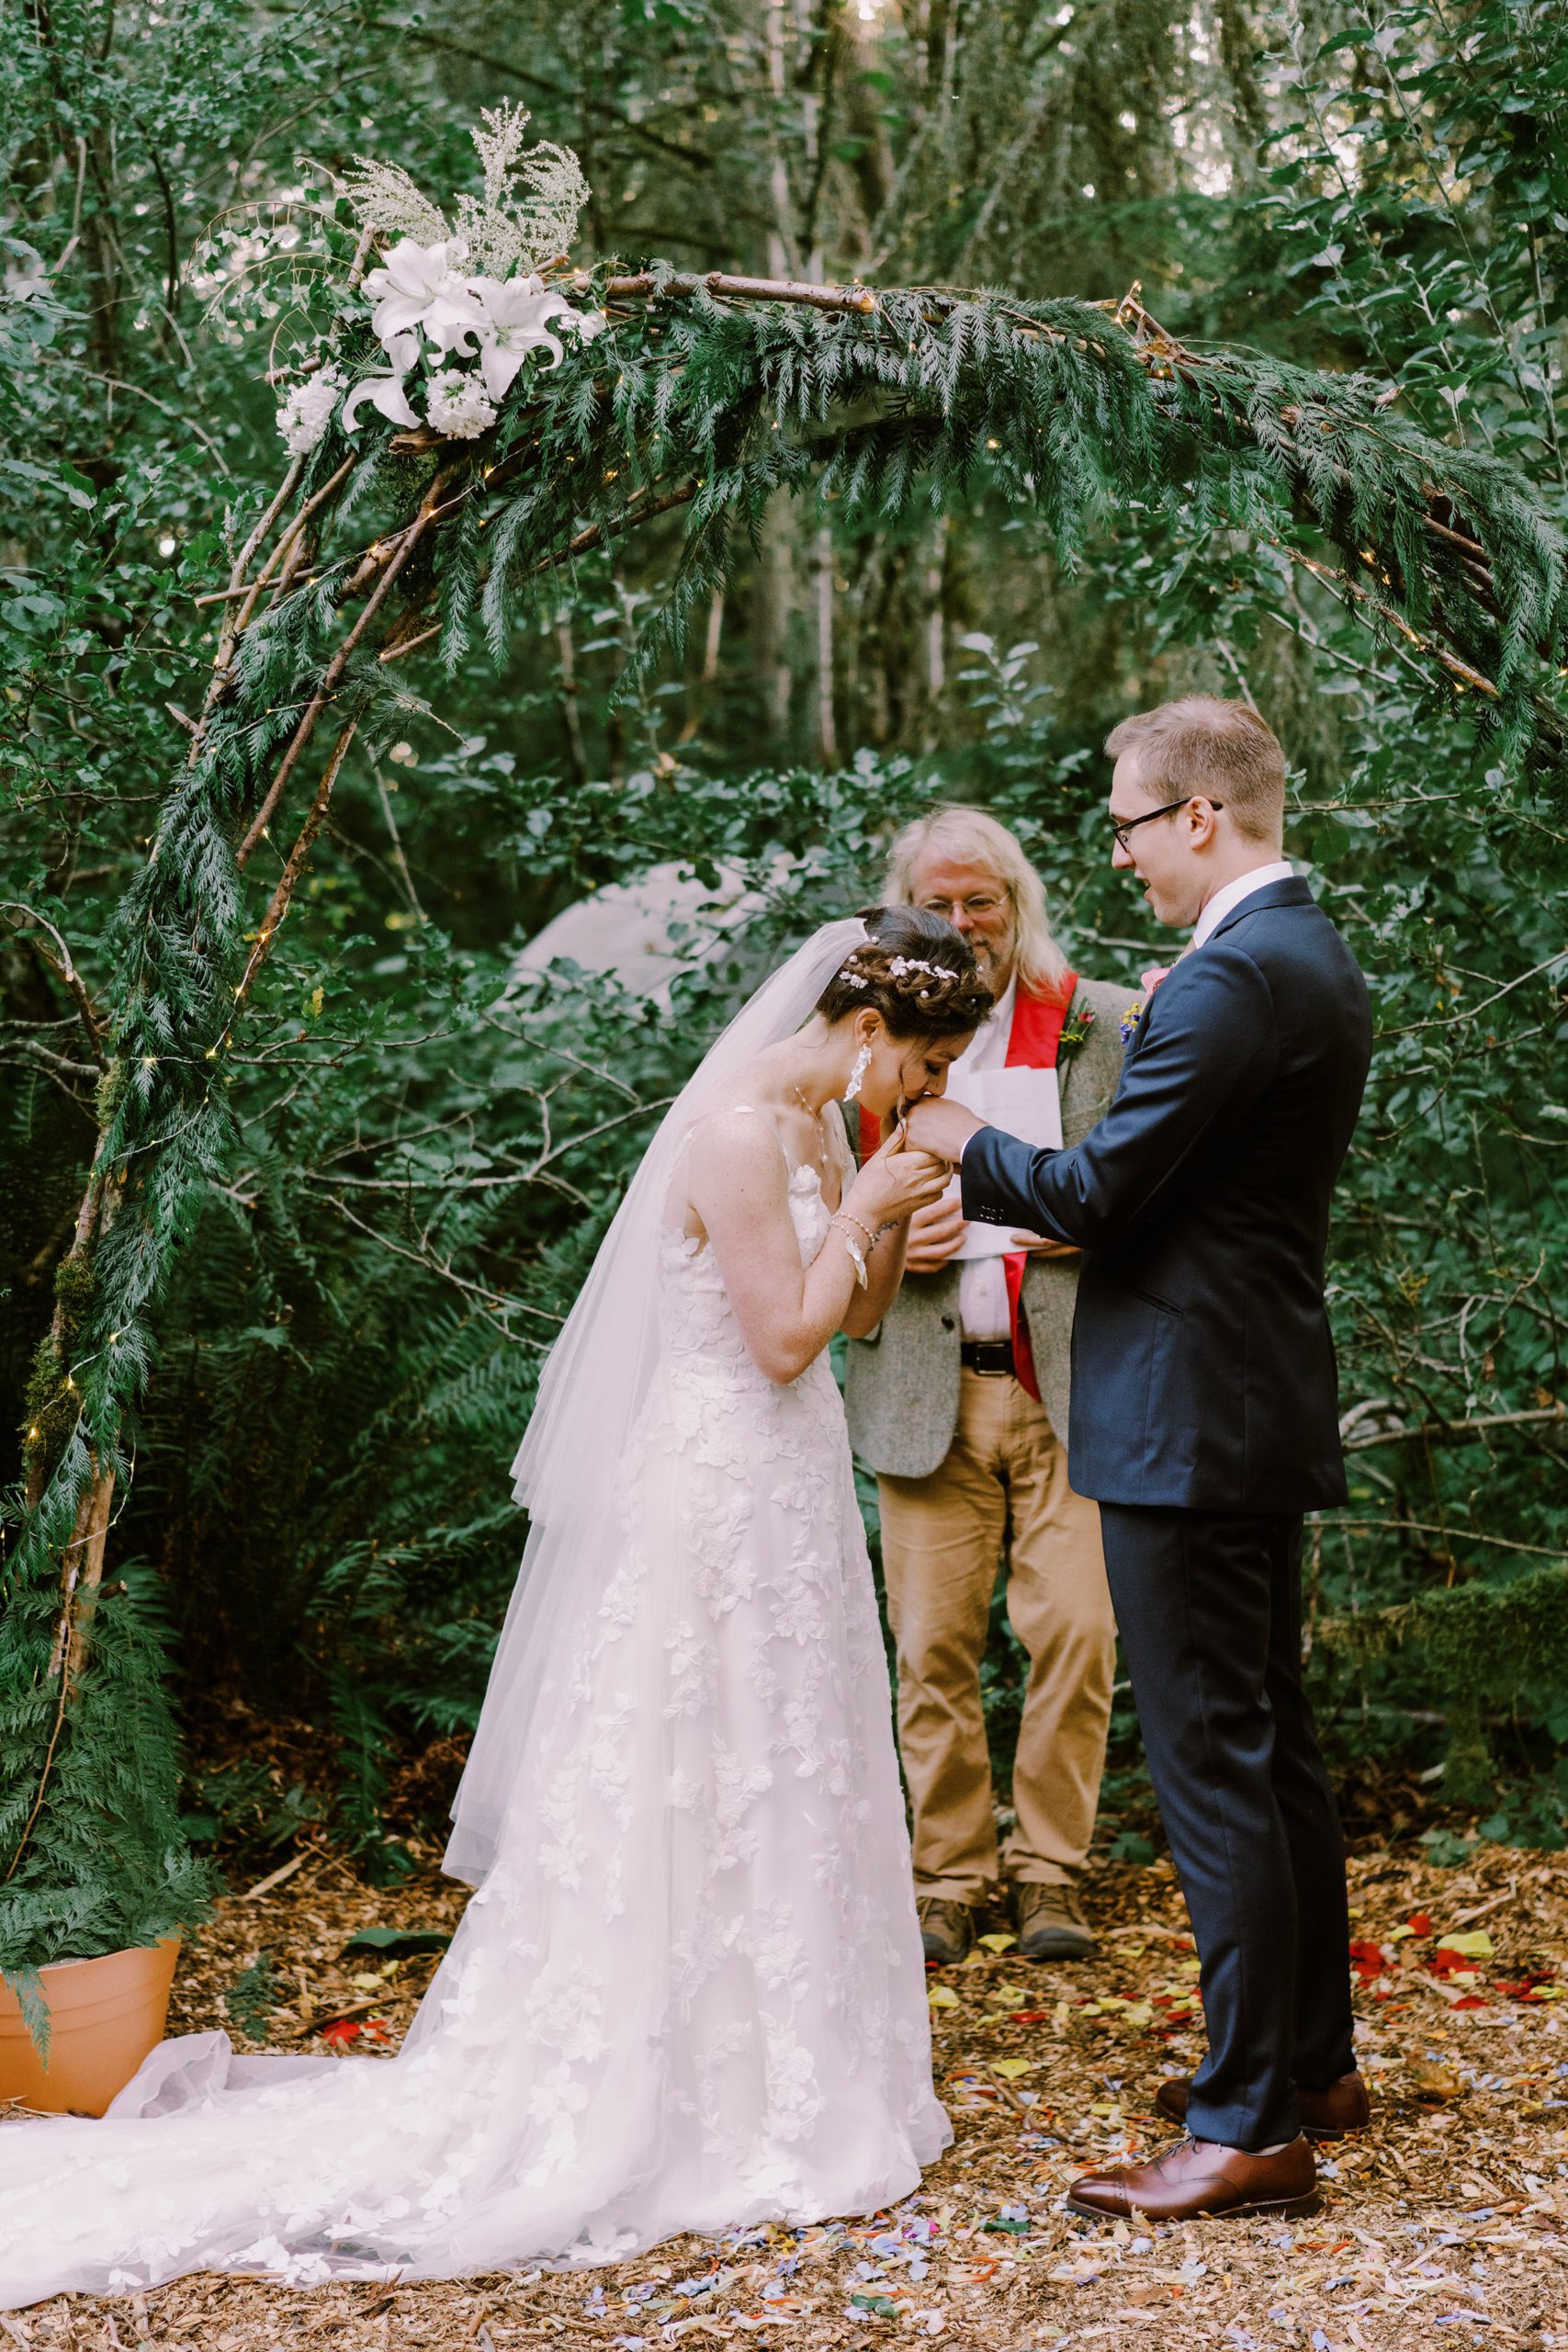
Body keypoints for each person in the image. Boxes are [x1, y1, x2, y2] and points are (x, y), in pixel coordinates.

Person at [0, 908, 991, 2307]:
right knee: (683, 1768)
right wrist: (873, 1214)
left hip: (788, 1497)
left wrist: (890, 1221)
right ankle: (653, 2092)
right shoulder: (727, 1134)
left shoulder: (833, 1125)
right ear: (870, 1028)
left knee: (788, 1770)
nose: (932, 1094)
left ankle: (790, 2081)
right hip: (711, 1487)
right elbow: (775, 1342)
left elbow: (856, 1314)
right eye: (926, 1064)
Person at [907, 698, 1373, 2223]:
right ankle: (1306, 2062)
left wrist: (958, 1130)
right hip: (1244, 1400)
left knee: (1214, 1769)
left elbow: (1101, 1191)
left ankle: (1247, 2122)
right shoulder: (1290, 957)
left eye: (1124, 822)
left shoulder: (1238, 974)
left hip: (1189, 1420)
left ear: (1198, 818)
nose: (1117, 854)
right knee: (1270, 1750)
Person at [844, 810, 1126, 1967]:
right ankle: (948, 1875)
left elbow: (1157, 1193)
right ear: (904, 914)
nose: (962, 928)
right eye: (939, 907)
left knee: (1080, 1634)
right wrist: (886, 1244)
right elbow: (820, 1215)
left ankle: (1050, 1871)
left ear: (1020, 901)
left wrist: (1069, 1229)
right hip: (927, 1381)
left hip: (1071, 1382)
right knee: (930, 1650)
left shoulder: (1106, 1022)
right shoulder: (866, 1042)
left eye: (983, 904)